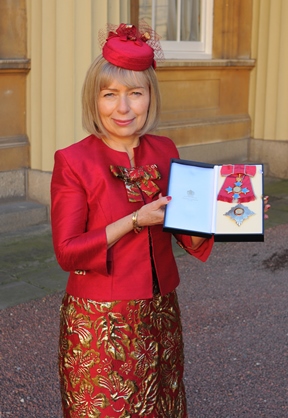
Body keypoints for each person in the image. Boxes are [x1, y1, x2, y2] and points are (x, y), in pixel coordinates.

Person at [50, 22, 213, 417]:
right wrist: (135, 220)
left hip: (161, 313)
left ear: (149, 97)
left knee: (164, 404)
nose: (123, 108)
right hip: (102, 321)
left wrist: (230, 214)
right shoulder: (73, 160)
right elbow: (68, 253)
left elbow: (188, 234)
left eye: (135, 94)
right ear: (95, 99)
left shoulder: (164, 149)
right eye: (110, 94)